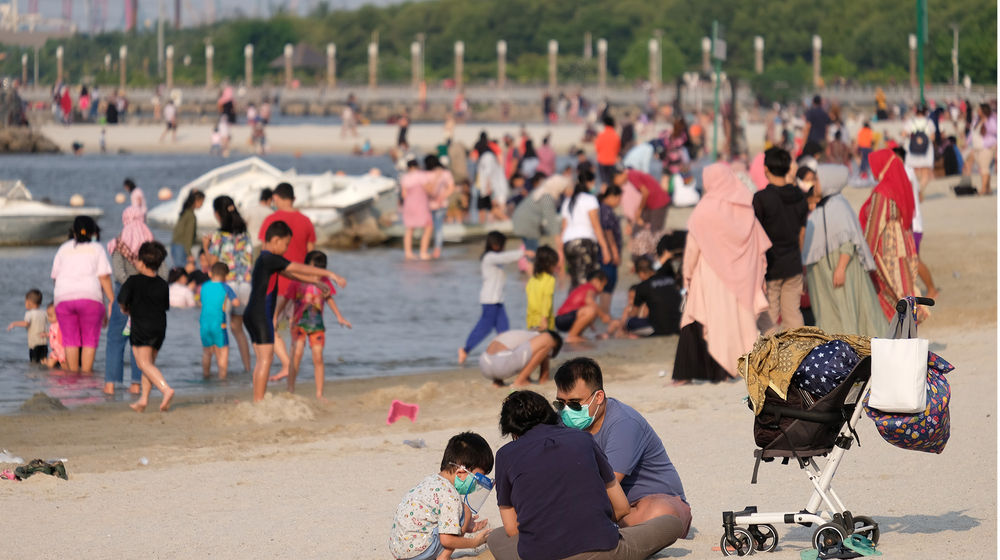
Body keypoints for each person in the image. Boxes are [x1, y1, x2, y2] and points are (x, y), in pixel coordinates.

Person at [487, 390, 685, 560]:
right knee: (671, 524)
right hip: (604, 551)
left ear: (512, 431)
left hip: (542, 554)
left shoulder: (505, 455)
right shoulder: (583, 439)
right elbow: (622, 507)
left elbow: (512, 530)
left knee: (495, 537)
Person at [554, 358, 691, 531]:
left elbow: (606, 482)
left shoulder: (624, 422)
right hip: (609, 506)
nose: (566, 411)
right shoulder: (562, 420)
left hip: (650, 500)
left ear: (598, 397)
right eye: (560, 403)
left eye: (574, 404)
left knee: (660, 513)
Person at [673, 163, 770, 384]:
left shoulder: (704, 209)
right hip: (742, 276)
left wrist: (687, 274)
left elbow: (692, 248)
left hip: (709, 275)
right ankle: (730, 371)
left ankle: (688, 376)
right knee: (735, 324)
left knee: (703, 320)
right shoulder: (744, 207)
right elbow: (758, 245)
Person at [244, 221, 346, 403]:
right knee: (266, 359)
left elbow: (290, 274)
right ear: (275, 240)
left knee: (262, 359)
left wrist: (314, 282)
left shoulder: (264, 259)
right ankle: (258, 402)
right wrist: (330, 274)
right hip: (261, 314)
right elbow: (297, 267)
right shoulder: (270, 258)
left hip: (252, 313)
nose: (286, 249)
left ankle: (256, 400)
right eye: (285, 244)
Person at [802, 165, 886, 337]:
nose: (814, 184)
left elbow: (848, 240)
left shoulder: (838, 205)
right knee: (831, 318)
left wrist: (841, 267)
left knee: (849, 313)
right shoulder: (821, 208)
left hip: (842, 273)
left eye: (817, 180)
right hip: (824, 278)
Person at [388, 432, 493, 560]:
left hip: (399, 549)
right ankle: (444, 557)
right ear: (461, 471)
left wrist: (461, 525)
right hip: (418, 552)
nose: (477, 484)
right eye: (477, 479)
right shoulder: (450, 495)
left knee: (460, 515)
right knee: (465, 511)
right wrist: (474, 542)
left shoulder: (431, 480)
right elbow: (447, 541)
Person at [258, 183, 318, 383]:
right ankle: (291, 379)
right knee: (296, 333)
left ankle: (284, 364)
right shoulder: (306, 221)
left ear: (276, 197)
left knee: (269, 326)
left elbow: (263, 252)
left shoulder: (270, 220)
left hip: (276, 284)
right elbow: (312, 255)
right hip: (300, 286)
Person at [275, 250, 351, 400]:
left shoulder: (325, 282)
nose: (316, 276)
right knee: (296, 355)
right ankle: (290, 389)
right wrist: (275, 317)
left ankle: (319, 394)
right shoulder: (297, 281)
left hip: (317, 326)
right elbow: (285, 300)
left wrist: (339, 317)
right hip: (298, 325)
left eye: (319, 272)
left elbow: (329, 299)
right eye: (314, 271)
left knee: (318, 358)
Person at [106, 207, 165, 395]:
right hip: (148, 297)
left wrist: (132, 286)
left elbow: (118, 272)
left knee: (115, 338)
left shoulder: (119, 242)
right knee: (139, 340)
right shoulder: (152, 244)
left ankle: (110, 384)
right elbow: (162, 273)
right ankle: (136, 384)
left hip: (124, 293)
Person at [859, 149, 923, 321]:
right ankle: (908, 333)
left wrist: (865, 256)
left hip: (887, 247)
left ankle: (901, 336)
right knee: (903, 289)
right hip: (903, 243)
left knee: (891, 291)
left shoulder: (883, 191)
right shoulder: (899, 185)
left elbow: (874, 226)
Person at [753, 147, 808, 334]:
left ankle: (770, 358)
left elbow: (756, 236)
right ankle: (798, 355)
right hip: (793, 263)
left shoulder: (761, 199)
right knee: (793, 314)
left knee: (768, 317)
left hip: (771, 266)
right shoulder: (799, 196)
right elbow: (802, 233)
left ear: (766, 169)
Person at [51, 216, 115, 374]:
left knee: (70, 341)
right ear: (93, 232)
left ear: (73, 232)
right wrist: (112, 300)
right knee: (89, 341)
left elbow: (55, 277)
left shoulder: (63, 248)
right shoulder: (97, 248)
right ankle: (86, 377)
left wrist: (63, 293)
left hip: (63, 298)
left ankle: (73, 379)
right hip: (90, 298)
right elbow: (104, 277)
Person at [118, 241, 175, 413]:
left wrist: (127, 310)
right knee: (149, 364)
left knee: (143, 363)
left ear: (141, 262)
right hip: (159, 327)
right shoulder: (163, 284)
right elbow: (165, 306)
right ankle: (143, 400)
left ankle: (166, 389)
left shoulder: (133, 281)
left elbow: (122, 303)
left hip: (141, 326)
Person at [203, 196, 255, 373]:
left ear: (217, 214)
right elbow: (250, 260)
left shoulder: (218, 235)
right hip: (246, 285)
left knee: (216, 327)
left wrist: (205, 246)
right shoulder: (245, 234)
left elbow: (213, 263)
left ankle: (219, 371)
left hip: (225, 287)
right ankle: (248, 368)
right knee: (237, 329)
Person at [458, 232, 526, 365]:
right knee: (485, 327)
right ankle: (465, 350)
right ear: (496, 245)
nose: (504, 248)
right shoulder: (489, 257)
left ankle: (505, 353)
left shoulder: (494, 258)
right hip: (490, 301)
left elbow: (503, 258)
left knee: (504, 329)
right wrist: (522, 253)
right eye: (503, 245)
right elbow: (505, 258)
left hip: (498, 300)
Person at [892, 146, 938, 299]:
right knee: (909, 259)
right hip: (913, 222)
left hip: (913, 224)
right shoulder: (908, 171)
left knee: (914, 259)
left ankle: (932, 289)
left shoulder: (904, 172)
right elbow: (919, 196)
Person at [557, 170, 611, 289]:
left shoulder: (567, 201)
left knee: (575, 281)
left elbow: (563, 228)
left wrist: (560, 251)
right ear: (590, 183)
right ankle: (581, 307)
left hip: (569, 244)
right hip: (584, 243)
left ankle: (572, 306)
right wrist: (605, 247)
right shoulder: (590, 199)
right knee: (585, 283)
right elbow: (596, 225)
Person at [622, 248, 682, 338]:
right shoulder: (669, 279)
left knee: (629, 322)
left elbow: (634, 313)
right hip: (678, 326)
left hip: (658, 329)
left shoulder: (642, 286)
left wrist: (624, 321)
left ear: (641, 273)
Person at [479, 330, 563, 388]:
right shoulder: (541, 336)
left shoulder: (525, 334)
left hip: (484, 363)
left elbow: (523, 354)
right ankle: (520, 381)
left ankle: (497, 382)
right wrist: (544, 377)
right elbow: (543, 379)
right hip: (501, 364)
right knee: (547, 339)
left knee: (508, 350)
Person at [554, 270, 613, 343]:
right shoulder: (591, 287)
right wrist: (603, 315)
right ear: (596, 281)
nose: (602, 289)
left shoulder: (584, 287)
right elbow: (589, 301)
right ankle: (572, 336)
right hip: (563, 319)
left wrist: (591, 324)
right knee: (592, 310)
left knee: (593, 310)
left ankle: (577, 335)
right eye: (603, 285)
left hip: (562, 319)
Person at [511, 175, 566, 253]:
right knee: (533, 252)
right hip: (528, 225)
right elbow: (551, 218)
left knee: (530, 250)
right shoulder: (546, 196)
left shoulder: (540, 192)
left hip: (521, 222)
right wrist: (558, 239)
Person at [400, 159, 434, 260]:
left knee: (409, 229)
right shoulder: (421, 175)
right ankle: (423, 252)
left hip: (408, 205)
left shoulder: (405, 177)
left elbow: (404, 194)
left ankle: (408, 253)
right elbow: (429, 190)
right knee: (428, 226)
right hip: (420, 204)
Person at [597, 184, 623, 315]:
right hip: (608, 253)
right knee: (608, 283)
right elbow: (608, 233)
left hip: (605, 252)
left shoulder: (603, 209)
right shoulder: (606, 210)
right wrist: (614, 252)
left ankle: (604, 311)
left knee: (606, 284)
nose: (619, 202)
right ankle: (605, 312)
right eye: (619, 198)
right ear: (613, 197)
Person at [474, 134, 510, 222]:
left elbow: (487, 174)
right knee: (493, 211)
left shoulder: (486, 157)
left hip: (491, 189)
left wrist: (488, 189)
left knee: (494, 210)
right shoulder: (491, 156)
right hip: (494, 188)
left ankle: (510, 224)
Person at [963, 103, 997, 195]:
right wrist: (967, 142)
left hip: (986, 147)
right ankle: (988, 188)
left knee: (984, 168)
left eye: (979, 110)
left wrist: (986, 121)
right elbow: (972, 133)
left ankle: (983, 189)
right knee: (982, 168)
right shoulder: (977, 120)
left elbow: (995, 131)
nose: (978, 112)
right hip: (977, 147)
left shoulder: (991, 120)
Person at [426, 155, 456, 259]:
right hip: (436, 204)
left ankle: (432, 249)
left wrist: (440, 198)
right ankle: (435, 249)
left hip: (435, 205)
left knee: (434, 227)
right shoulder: (445, 173)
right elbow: (451, 188)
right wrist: (442, 197)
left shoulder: (429, 173)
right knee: (437, 227)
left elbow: (451, 187)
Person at [903, 105, 935, 202]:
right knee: (926, 174)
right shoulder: (929, 122)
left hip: (913, 151)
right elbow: (932, 137)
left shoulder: (910, 122)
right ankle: (919, 190)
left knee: (912, 173)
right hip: (926, 151)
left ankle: (914, 192)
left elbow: (903, 134)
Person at [7, 289, 47, 364]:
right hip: (44, 343)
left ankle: (34, 375)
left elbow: (26, 323)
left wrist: (14, 323)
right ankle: (43, 375)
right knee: (43, 362)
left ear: (29, 302)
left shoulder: (29, 313)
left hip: (34, 344)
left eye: (25, 301)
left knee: (34, 363)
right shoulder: (44, 312)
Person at [525, 246, 559, 331]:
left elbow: (530, 301)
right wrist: (544, 319)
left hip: (531, 322)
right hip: (544, 323)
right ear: (548, 264)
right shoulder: (550, 279)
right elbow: (546, 300)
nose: (555, 267)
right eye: (554, 264)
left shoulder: (532, 280)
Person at [171, 190, 205, 267]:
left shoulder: (185, 212)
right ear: (196, 201)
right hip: (182, 248)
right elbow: (189, 236)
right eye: (202, 202)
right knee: (185, 272)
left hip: (175, 245)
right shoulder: (191, 216)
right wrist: (189, 253)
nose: (202, 204)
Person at [243, 188, 274, 259]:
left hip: (250, 244)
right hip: (265, 245)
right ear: (269, 199)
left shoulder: (249, 210)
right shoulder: (271, 212)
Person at [42, 304, 65, 370]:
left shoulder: (60, 325)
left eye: (51, 316)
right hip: (55, 350)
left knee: (65, 368)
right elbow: (53, 334)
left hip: (62, 351)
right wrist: (47, 334)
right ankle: (47, 364)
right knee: (50, 365)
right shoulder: (52, 325)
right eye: (48, 316)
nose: (49, 318)